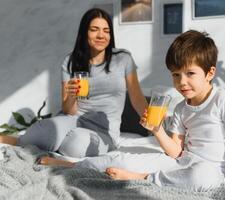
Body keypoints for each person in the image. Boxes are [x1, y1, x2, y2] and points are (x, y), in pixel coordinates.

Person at [34, 30, 225, 192]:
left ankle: (143, 178)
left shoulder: (222, 100)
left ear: (209, 73)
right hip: (180, 163)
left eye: (190, 74)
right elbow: (175, 152)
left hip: (211, 170)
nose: (182, 82)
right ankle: (72, 164)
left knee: (202, 176)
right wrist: (157, 131)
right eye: (176, 75)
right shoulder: (180, 108)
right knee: (121, 158)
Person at [0, 8, 147, 159]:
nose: (101, 35)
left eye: (106, 30)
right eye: (94, 29)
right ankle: (16, 140)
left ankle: (54, 149)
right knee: (46, 130)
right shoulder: (70, 61)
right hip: (72, 119)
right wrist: (71, 95)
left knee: (75, 144)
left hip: (103, 130)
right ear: (85, 33)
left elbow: (137, 98)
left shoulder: (123, 59)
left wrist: (155, 127)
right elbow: (69, 111)